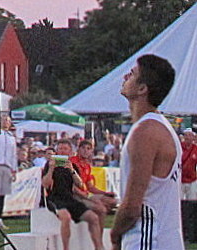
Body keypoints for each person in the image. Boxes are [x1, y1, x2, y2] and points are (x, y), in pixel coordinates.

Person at [112, 54, 183, 250]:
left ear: (143, 89)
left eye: (133, 74)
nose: (125, 76)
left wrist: (114, 235)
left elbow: (133, 206)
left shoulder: (145, 132)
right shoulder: (159, 127)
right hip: (163, 237)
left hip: (148, 239)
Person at [41, 150, 101, 250]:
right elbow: (45, 184)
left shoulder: (72, 166)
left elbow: (81, 185)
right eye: (61, 149)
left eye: (65, 149)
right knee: (66, 217)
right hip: (54, 198)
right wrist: (51, 169)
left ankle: (98, 247)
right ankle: (66, 248)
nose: (63, 152)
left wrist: (72, 170)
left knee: (93, 217)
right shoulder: (49, 165)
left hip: (69, 198)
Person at [180, 129, 197, 244]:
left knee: (192, 204)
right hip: (181, 180)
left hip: (192, 180)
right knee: (181, 205)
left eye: (190, 136)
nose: (188, 138)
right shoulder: (179, 147)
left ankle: (192, 234)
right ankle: (183, 231)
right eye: (186, 136)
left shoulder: (195, 149)